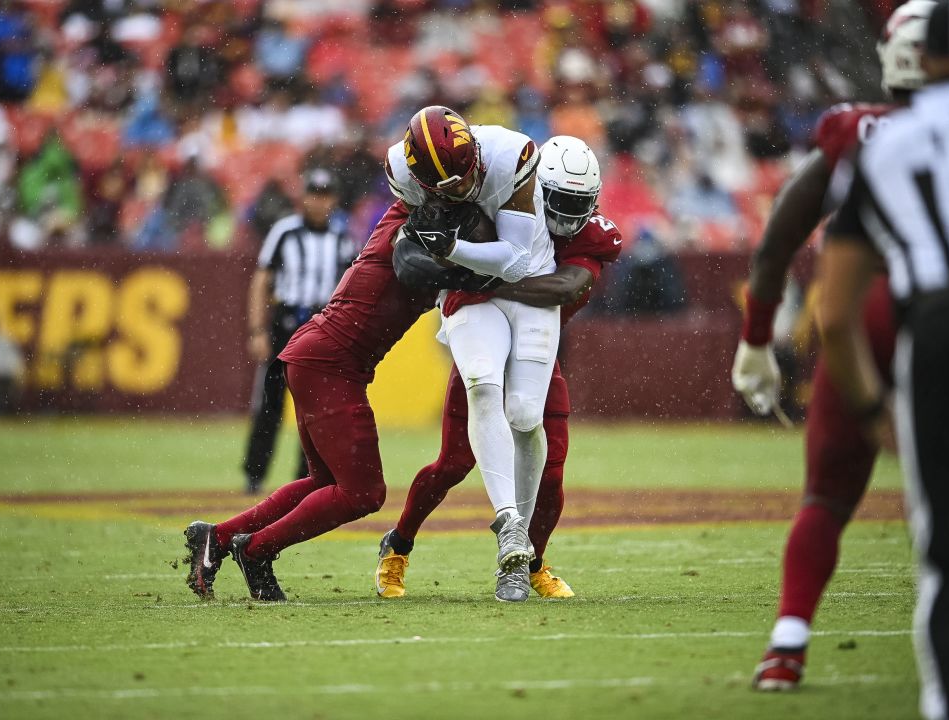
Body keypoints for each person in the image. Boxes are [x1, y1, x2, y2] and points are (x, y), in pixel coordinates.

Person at [732, 0, 938, 691]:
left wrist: (756, 338)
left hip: (868, 309)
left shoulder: (858, 129)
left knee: (826, 494)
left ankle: (786, 644)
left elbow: (779, 239)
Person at [816, 2, 949, 717]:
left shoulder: (890, 143)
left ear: (918, 61)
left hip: (946, 332)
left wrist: (870, 406)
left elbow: (835, 311)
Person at [181, 197, 494, 601]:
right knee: (363, 493)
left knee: (324, 482)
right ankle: (256, 550)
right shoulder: (413, 247)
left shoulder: (402, 222)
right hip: (330, 365)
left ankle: (217, 537)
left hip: (319, 357)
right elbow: (433, 265)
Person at [375, 136, 621, 602]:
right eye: (561, 201)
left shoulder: (585, 236)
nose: (569, 217)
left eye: (579, 204)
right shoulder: (502, 204)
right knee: (452, 464)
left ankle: (530, 562)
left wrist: (504, 284)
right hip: (487, 334)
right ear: (536, 187)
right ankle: (400, 542)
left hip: (537, 350)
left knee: (550, 469)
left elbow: (567, 286)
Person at [387, 106, 561, 598]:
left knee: (526, 414)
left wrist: (451, 249)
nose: (462, 191)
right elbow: (412, 238)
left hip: (528, 286)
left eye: (466, 179)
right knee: (483, 386)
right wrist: (425, 251)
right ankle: (510, 533)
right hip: (466, 292)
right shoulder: (401, 170)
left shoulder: (511, 154)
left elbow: (513, 261)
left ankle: (521, 536)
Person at [241, 169, 351, 494]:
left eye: (325, 194)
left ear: (334, 198)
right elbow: (262, 280)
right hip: (285, 323)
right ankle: (254, 474)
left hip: (320, 327)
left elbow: (350, 287)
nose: (319, 201)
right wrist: (258, 329)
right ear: (304, 197)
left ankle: (307, 478)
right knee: (269, 404)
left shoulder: (343, 239)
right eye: (314, 194)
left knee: (316, 411)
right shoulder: (285, 232)